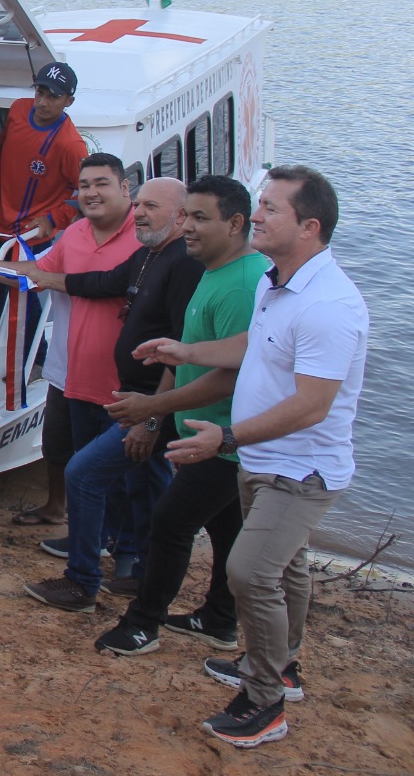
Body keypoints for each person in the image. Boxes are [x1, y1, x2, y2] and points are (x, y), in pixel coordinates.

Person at [143, 167, 367, 749]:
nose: (258, 216)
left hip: (302, 467)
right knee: (287, 569)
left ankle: (264, 701)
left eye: (271, 208)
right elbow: (255, 346)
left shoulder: (328, 305)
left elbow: (313, 405)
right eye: (260, 203)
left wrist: (229, 438)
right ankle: (283, 666)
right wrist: (186, 349)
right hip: (263, 458)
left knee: (250, 572)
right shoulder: (276, 281)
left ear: (310, 227)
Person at [93, 175, 268, 656]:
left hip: (223, 433)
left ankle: (143, 623)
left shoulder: (243, 285)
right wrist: (162, 393)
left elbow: (232, 376)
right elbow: (193, 356)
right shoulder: (212, 269)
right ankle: (219, 618)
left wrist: (152, 407)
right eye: (185, 215)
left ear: (235, 224)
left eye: (199, 218)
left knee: (170, 523)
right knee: (226, 525)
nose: (185, 227)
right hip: (198, 425)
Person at [17, 176, 202, 613]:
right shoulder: (148, 256)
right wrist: (24, 271)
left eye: (151, 207)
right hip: (134, 399)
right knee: (143, 484)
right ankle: (139, 574)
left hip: (149, 405)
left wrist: (153, 418)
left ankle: (84, 584)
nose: (139, 213)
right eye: (138, 205)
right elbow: (94, 283)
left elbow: (181, 349)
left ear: (180, 215)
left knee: (85, 473)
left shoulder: (184, 265)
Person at [0, 153, 137, 559]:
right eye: (84, 185)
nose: (91, 192)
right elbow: (33, 272)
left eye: (102, 183)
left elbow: (85, 284)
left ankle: (123, 551)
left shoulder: (144, 240)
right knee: (64, 452)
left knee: (118, 473)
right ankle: (82, 534)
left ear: (125, 188)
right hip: (68, 373)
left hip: (122, 383)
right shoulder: (73, 235)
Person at [0, 61, 87, 392]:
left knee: (23, 292)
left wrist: (53, 219)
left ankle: (30, 360)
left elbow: (83, 194)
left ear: (68, 101)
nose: (43, 101)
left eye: (53, 96)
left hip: (31, 236)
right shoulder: (18, 110)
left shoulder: (71, 146)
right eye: (40, 92)